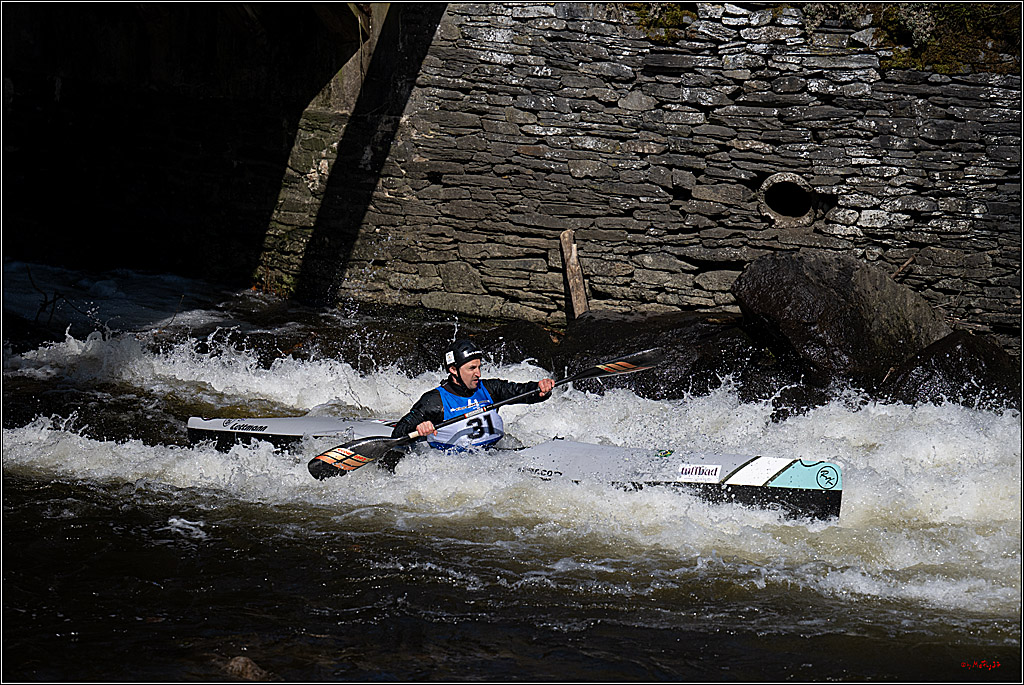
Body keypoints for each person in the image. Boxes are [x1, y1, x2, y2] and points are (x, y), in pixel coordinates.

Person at [391, 338, 556, 452]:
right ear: (454, 370)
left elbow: (523, 392)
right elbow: (399, 433)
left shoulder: (490, 388)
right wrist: (419, 428)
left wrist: (540, 389)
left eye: (479, 367)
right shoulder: (434, 401)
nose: (478, 373)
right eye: (471, 368)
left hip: (491, 455)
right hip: (450, 463)